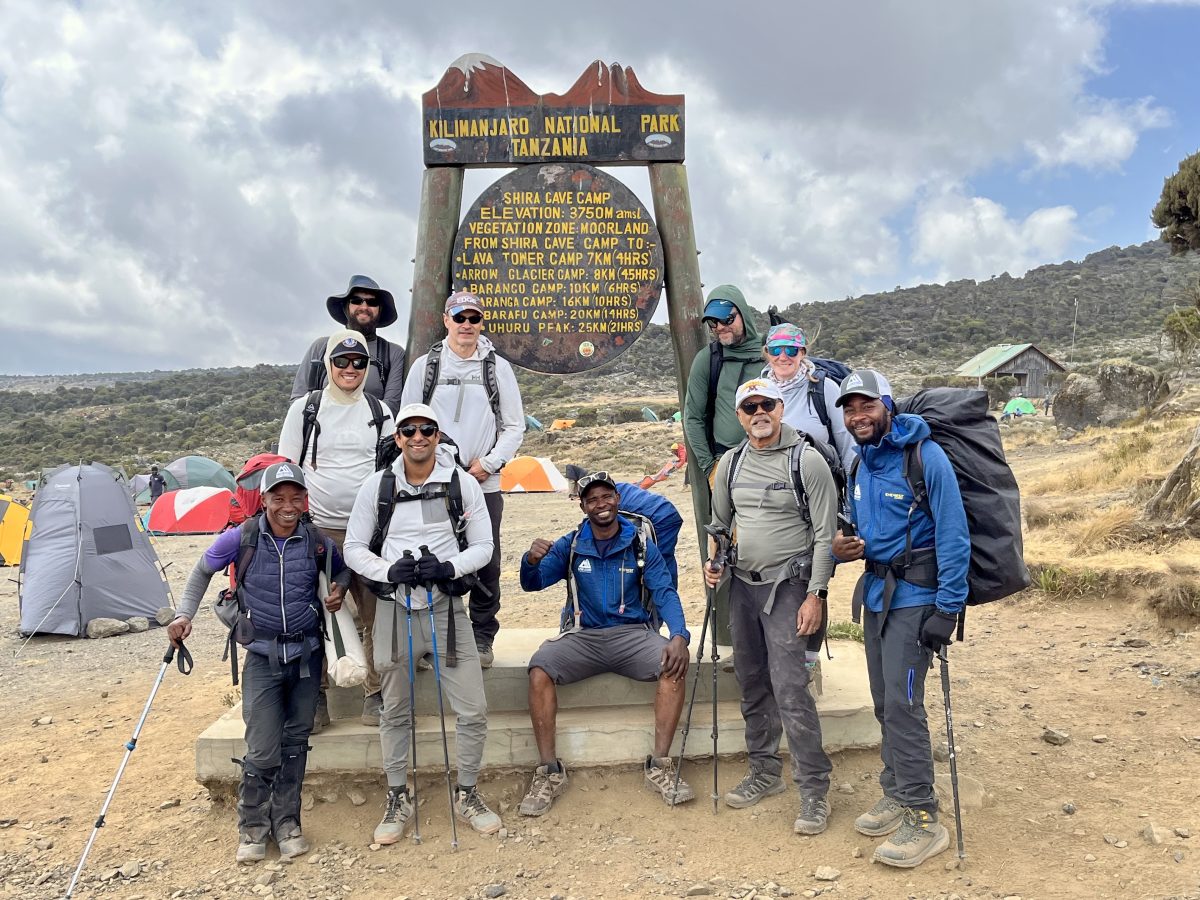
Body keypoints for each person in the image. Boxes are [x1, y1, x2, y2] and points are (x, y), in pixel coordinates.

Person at [167, 463, 349, 863]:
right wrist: (184, 614)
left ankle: (287, 824)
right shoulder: (243, 538)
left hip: (306, 657)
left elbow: (343, 568)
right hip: (263, 657)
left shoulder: (316, 540)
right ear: (263, 500)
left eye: (295, 498)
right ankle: (252, 826)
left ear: (305, 500)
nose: (288, 506)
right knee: (264, 749)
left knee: (296, 743)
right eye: (278, 498)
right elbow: (201, 571)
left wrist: (338, 588)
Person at [343, 403, 501, 842]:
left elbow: (484, 546)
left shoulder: (461, 484)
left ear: (437, 434)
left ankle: (467, 791)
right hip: (396, 610)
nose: (418, 437)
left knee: (472, 708)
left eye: (426, 429)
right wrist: (387, 571)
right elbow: (354, 548)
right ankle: (397, 794)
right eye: (408, 430)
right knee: (394, 710)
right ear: (397, 438)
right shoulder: (377, 486)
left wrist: (448, 568)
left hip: (447, 611)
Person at [831, 369, 969, 868]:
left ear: (887, 405)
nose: (857, 416)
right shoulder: (861, 462)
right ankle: (896, 789)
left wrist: (948, 609)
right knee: (884, 702)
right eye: (849, 408)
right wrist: (844, 548)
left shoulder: (924, 457)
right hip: (877, 595)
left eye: (866, 405)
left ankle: (923, 817)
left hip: (918, 599)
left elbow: (954, 536)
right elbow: (871, 529)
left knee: (905, 704)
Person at [703, 378, 836, 835]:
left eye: (766, 404)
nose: (758, 412)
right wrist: (713, 559)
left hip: (790, 588)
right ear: (739, 416)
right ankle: (764, 771)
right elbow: (719, 524)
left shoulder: (808, 461)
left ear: (780, 409)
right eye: (749, 407)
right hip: (741, 586)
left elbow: (824, 538)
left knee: (791, 688)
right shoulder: (730, 463)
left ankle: (814, 790)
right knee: (752, 680)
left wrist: (816, 594)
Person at [517, 471, 693, 816]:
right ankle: (548, 772)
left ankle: (660, 765)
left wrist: (679, 636)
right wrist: (530, 560)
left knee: (673, 666)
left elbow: (664, 591)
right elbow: (532, 584)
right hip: (585, 636)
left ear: (618, 499)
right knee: (540, 668)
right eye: (593, 499)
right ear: (583, 507)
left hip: (633, 634)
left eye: (607, 497)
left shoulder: (641, 543)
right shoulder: (571, 544)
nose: (602, 505)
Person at [400, 291, 525, 668]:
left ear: (481, 322)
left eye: (473, 318)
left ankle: (482, 637)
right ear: (446, 320)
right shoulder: (426, 366)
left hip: (483, 484)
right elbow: (407, 419)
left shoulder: (496, 367)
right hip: (433, 481)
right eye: (460, 318)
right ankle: (433, 638)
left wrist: (490, 463)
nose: (466, 325)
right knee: (432, 556)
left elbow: (514, 425)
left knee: (485, 559)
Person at [279, 331, 394, 730]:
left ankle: (374, 694)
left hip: (369, 532)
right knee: (315, 614)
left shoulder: (381, 413)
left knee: (373, 613)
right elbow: (287, 471)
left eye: (359, 362)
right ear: (327, 365)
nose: (350, 369)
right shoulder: (305, 410)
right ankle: (317, 699)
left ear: (368, 368)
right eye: (341, 362)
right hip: (317, 530)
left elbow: (389, 473)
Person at [291, 275, 407, 413]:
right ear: (346, 307)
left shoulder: (392, 353)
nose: (364, 307)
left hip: (370, 432)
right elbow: (298, 400)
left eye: (372, 302)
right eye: (356, 301)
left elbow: (391, 406)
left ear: (380, 310)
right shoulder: (321, 347)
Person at [683, 285, 764, 479]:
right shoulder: (708, 359)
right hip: (728, 462)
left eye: (727, 319)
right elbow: (693, 417)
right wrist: (710, 468)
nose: (719, 327)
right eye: (713, 321)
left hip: (774, 458)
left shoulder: (772, 351)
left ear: (743, 314)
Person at [564, 464, 684, 589]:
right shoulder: (615, 488)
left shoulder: (609, 500)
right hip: (667, 511)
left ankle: (658, 599)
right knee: (664, 560)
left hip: (661, 518)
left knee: (658, 564)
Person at [759, 323, 855, 471]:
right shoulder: (758, 392)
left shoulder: (825, 388)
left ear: (802, 352)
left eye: (791, 350)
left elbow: (847, 443)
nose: (782, 357)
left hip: (820, 485)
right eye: (775, 350)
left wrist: (851, 487)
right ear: (767, 352)